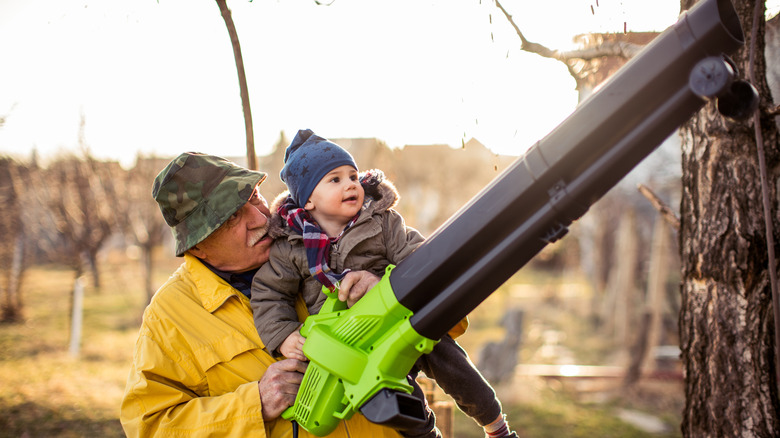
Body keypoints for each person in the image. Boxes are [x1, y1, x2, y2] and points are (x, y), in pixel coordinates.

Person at [251, 129, 518, 438]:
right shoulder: (291, 246)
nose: (350, 184)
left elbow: (420, 258)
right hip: (352, 344)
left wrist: (383, 281)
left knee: (450, 360)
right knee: (392, 401)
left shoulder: (382, 222)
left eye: (352, 175)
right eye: (334, 179)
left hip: (403, 319)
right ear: (308, 199)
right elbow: (269, 294)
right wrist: (283, 334)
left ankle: (494, 424)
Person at [119, 152, 403, 437]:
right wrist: (254, 404)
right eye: (231, 216)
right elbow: (150, 427)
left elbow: (440, 317)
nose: (259, 218)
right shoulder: (170, 318)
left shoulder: (327, 238)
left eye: (254, 196)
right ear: (197, 248)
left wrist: (388, 291)